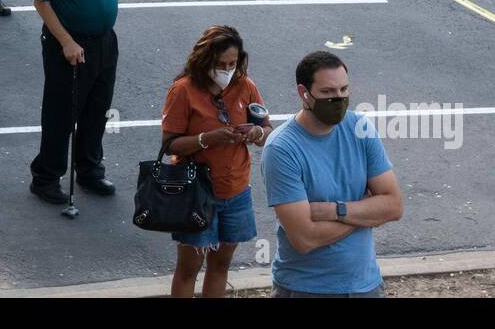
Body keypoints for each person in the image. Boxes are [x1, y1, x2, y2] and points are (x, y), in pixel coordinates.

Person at [260, 51, 404, 298]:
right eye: (327, 92)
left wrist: (335, 211)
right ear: (304, 93)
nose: (338, 99)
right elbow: (305, 238)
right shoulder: (281, 149)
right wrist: (365, 213)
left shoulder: (360, 128)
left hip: (366, 285)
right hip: (305, 289)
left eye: (343, 90)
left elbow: (393, 207)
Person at [29, 0, 132, 204]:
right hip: (69, 45)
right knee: (61, 112)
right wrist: (66, 42)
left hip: (103, 42)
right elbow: (41, 1)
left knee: (97, 109)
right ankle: (46, 177)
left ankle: (89, 170)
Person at [160, 25, 272, 298]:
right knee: (189, 267)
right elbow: (169, 144)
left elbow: (268, 130)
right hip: (197, 193)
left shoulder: (246, 86)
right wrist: (207, 138)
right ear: (205, 60)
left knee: (220, 265)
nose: (227, 69)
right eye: (220, 64)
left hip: (236, 191)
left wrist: (255, 132)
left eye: (232, 63)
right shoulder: (183, 90)